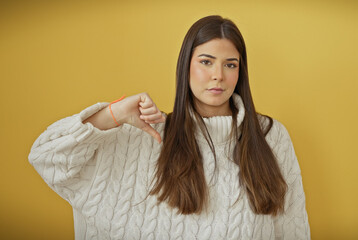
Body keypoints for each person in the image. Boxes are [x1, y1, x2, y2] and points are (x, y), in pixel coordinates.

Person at [29, 15, 310, 239]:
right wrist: (112, 114)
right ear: (185, 66)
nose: (218, 76)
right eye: (206, 62)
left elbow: (293, 228)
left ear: (240, 72)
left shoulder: (270, 136)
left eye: (230, 65)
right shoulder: (144, 135)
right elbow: (45, 156)